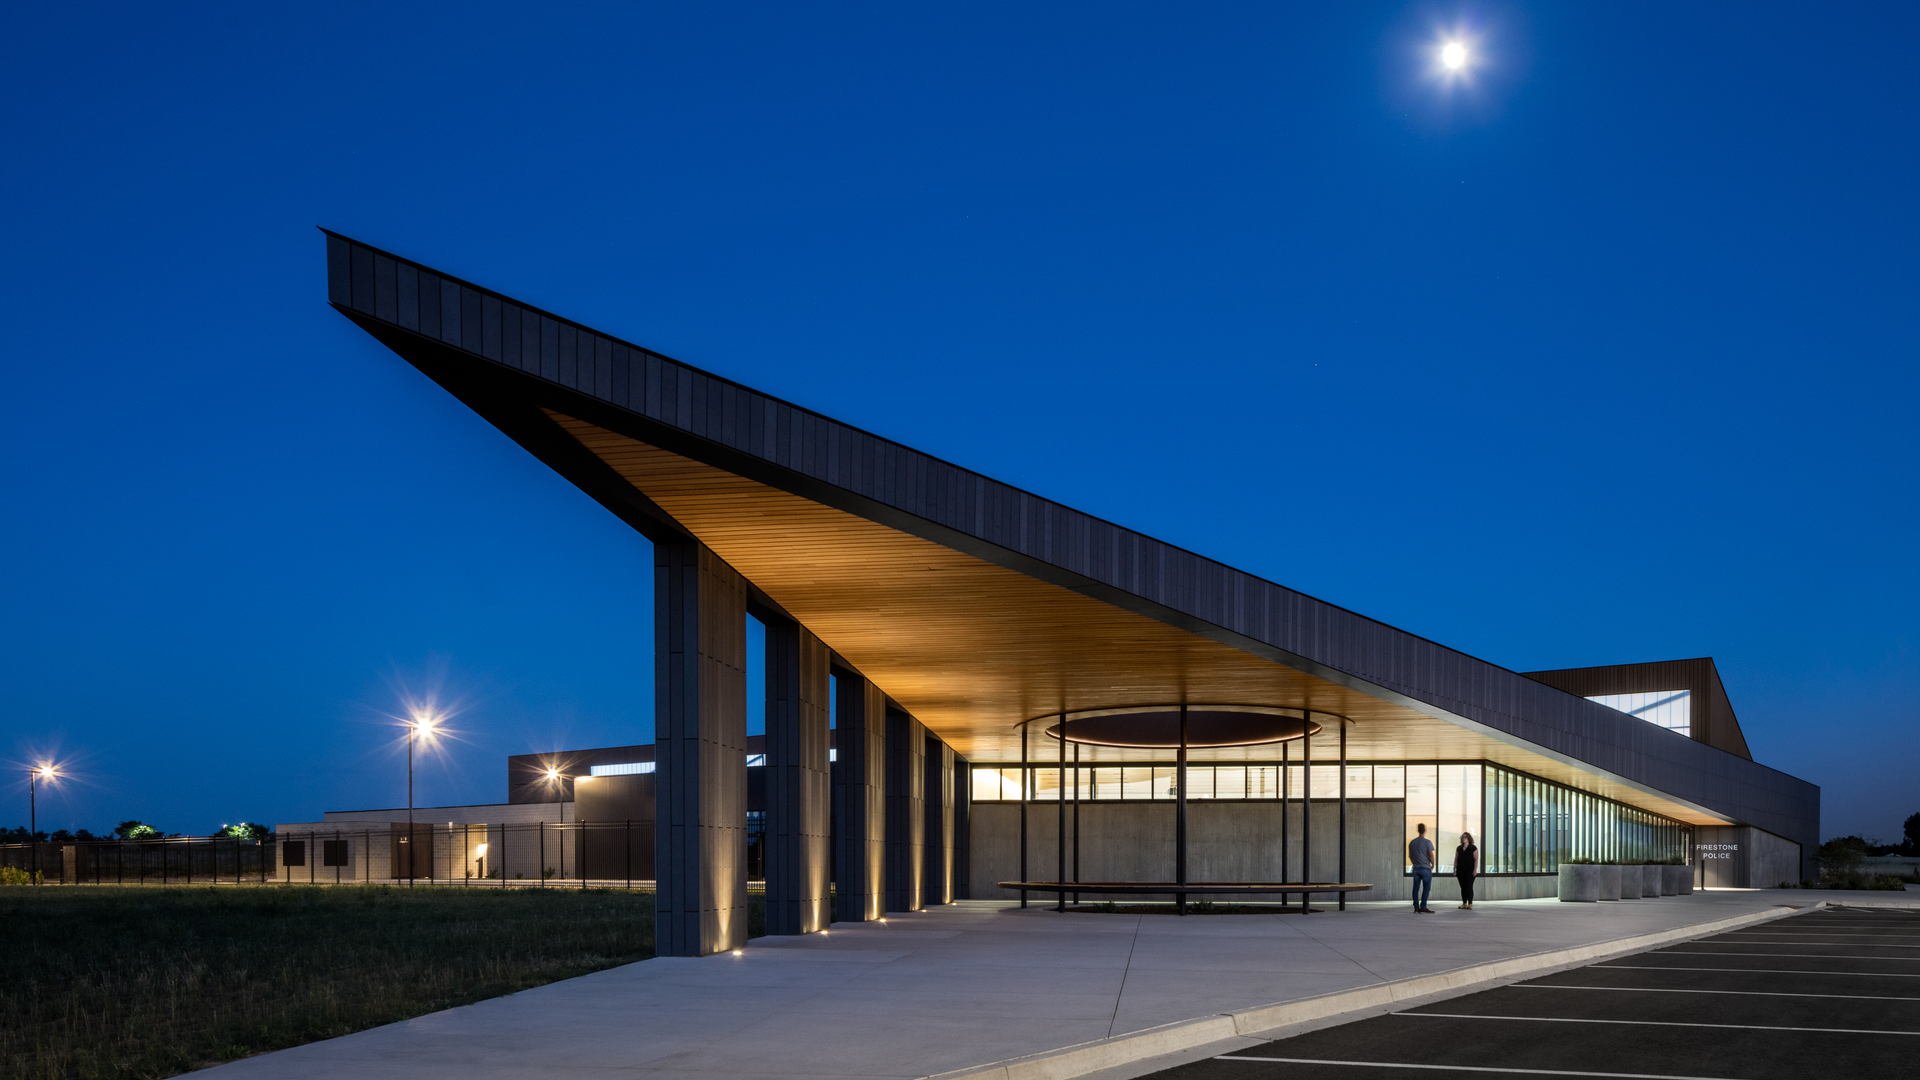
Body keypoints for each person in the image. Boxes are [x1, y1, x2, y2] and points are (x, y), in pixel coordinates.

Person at [1408, 823, 1435, 913]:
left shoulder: (1412, 842)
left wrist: (1414, 862)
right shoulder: (1427, 842)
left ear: (1418, 830)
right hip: (1425, 868)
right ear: (1425, 830)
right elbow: (1431, 855)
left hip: (1416, 868)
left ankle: (1416, 907)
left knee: (1416, 888)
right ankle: (1423, 906)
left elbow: (1410, 855)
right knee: (1426, 887)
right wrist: (1433, 864)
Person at [1455, 831, 1479, 910]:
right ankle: (1464, 903)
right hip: (1460, 870)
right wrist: (1455, 869)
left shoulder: (1473, 848)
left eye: (1465, 837)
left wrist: (1475, 870)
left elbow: (1476, 859)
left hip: (1470, 870)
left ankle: (1470, 903)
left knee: (1469, 886)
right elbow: (1456, 859)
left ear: (1469, 838)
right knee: (1463, 887)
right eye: (1462, 837)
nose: (1463, 839)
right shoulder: (1459, 848)